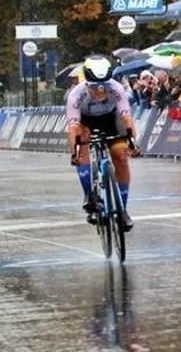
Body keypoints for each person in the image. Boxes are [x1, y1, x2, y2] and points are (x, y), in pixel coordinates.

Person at [66, 55, 140, 231]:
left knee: (121, 157)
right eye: (95, 87)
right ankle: (89, 195)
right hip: (85, 121)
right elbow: (73, 128)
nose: (100, 91)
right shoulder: (76, 95)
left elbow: (127, 118)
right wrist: (75, 153)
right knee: (81, 145)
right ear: (87, 83)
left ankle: (122, 210)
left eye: (104, 85)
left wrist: (132, 143)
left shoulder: (117, 88)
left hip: (111, 119)